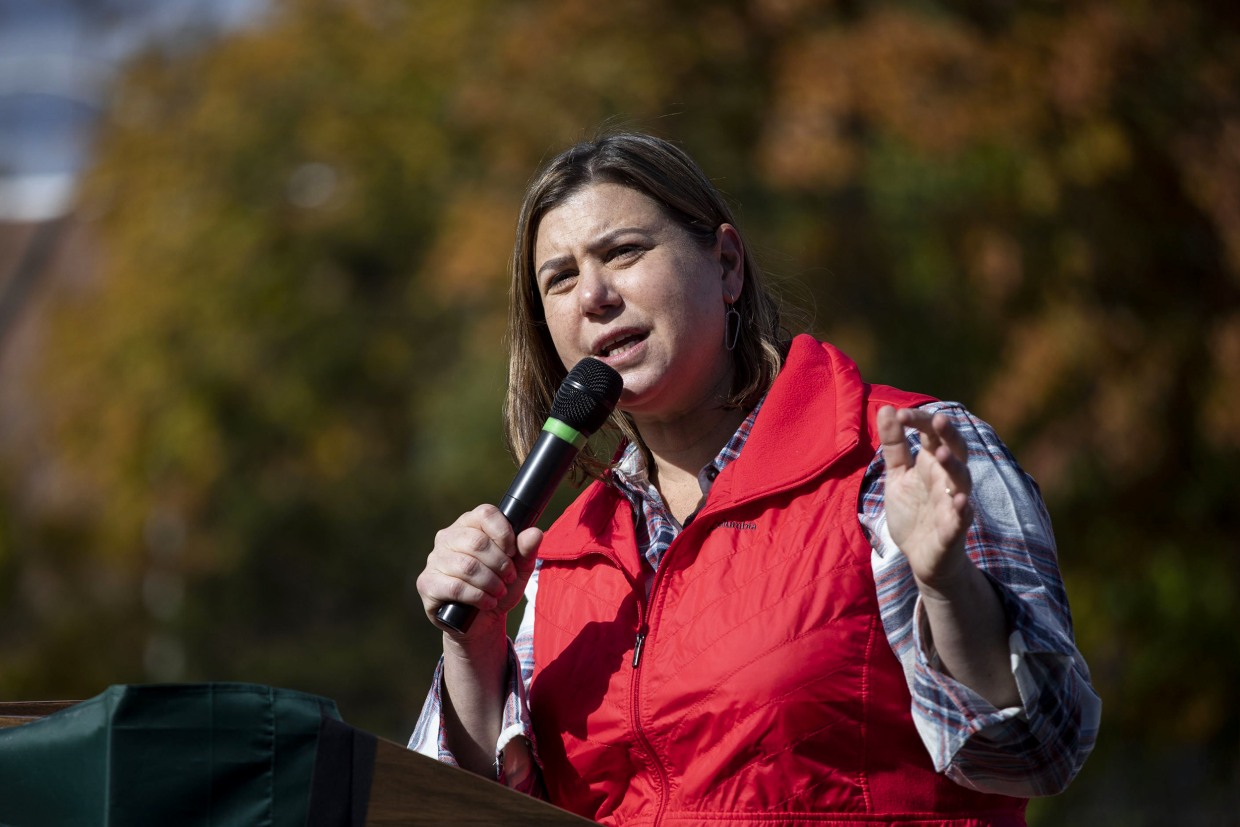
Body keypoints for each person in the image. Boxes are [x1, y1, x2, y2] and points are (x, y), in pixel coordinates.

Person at [410, 132, 1100, 826]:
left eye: (623, 252)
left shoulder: (900, 456)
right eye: (559, 278)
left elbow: (1041, 751)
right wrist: (473, 645)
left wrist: (949, 585)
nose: (593, 294)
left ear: (727, 263)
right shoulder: (561, 557)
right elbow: (455, 813)